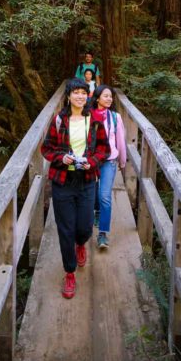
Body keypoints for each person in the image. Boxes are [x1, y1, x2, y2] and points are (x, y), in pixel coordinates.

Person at [41, 78, 110, 298]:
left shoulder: (95, 121)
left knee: (84, 227)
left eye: (83, 93)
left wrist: (94, 161)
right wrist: (62, 157)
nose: (79, 96)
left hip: (87, 180)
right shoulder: (59, 121)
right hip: (63, 182)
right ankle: (69, 272)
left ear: (87, 96)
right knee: (66, 229)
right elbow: (47, 149)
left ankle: (82, 243)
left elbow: (104, 150)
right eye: (75, 93)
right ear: (68, 96)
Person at [91, 85, 127, 250]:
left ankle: (103, 234)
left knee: (105, 195)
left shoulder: (115, 117)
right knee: (94, 190)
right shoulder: (88, 115)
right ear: (97, 98)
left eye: (111, 96)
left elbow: (120, 139)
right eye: (105, 96)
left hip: (109, 160)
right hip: (91, 160)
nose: (109, 99)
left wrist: (122, 160)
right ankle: (97, 212)